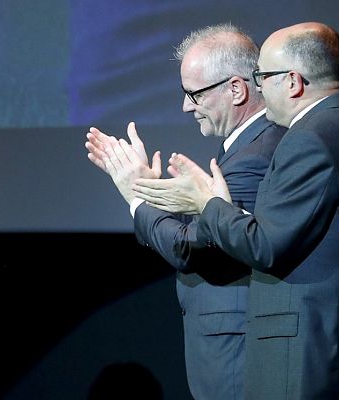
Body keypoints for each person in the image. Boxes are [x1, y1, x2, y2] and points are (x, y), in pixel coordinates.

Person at [133, 22, 339, 399]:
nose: (258, 87)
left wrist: (208, 203)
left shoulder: (310, 139)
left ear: (294, 82)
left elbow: (265, 245)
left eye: (263, 76)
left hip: (318, 356)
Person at [85, 23, 285, 399]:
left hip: (237, 349)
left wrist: (136, 196)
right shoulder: (249, 148)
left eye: (193, 94)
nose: (185, 105)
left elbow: (191, 249)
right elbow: (208, 232)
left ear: (237, 89)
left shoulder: (254, 158)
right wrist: (151, 190)